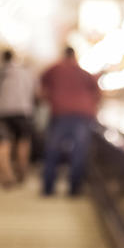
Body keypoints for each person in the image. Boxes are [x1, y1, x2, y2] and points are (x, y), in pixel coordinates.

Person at [39, 46, 101, 197]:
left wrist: (52, 100)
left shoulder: (53, 69)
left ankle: (48, 188)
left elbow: (41, 89)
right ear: (75, 57)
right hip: (83, 115)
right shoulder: (85, 73)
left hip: (60, 114)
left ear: (63, 56)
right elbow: (98, 94)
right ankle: (74, 188)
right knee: (79, 151)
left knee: (52, 150)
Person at [0, 49, 36, 187]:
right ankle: (22, 171)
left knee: (3, 143)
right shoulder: (25, 73)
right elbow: (33, 92)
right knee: (23, 141)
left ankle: (6, 176)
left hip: (0, 113)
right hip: (23, 112)